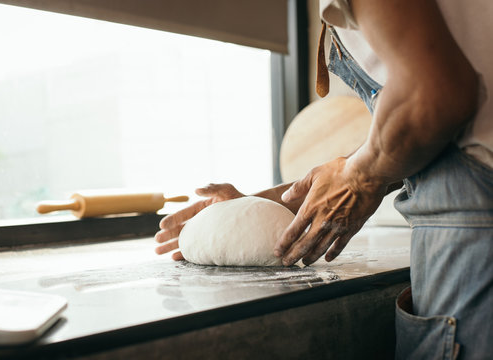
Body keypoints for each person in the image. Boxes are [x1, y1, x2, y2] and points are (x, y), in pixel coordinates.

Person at [155, 0, 493, 358]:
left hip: (476, 229)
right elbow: (429, 129)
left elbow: (435, 93)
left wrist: (359, 177)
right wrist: (271, 206)